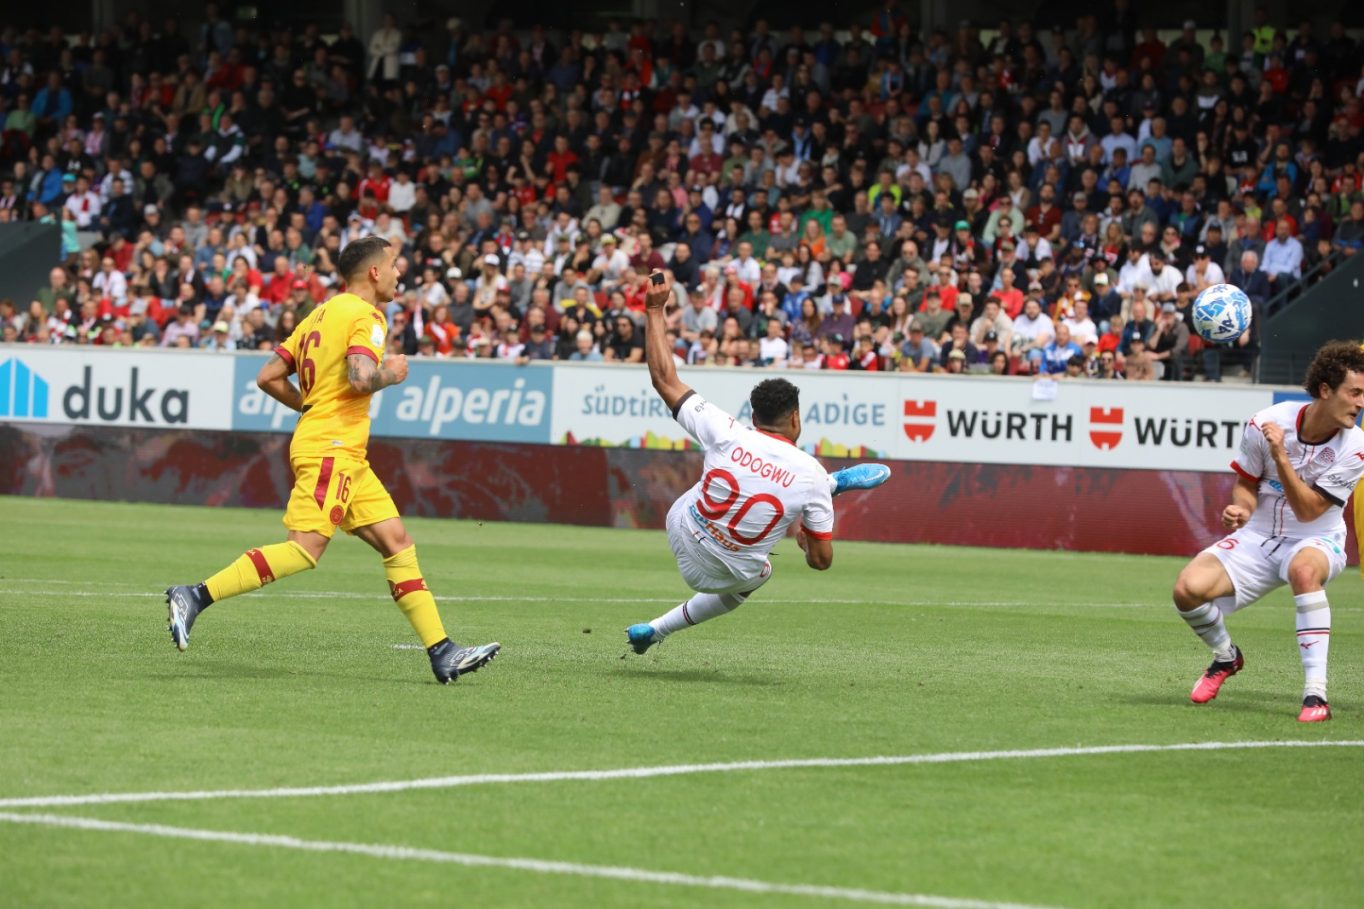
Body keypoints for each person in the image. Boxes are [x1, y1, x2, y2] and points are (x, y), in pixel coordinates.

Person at [164, 237, 500, 684]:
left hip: (344, 452)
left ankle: (442, 651)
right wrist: (391, 374)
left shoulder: (319, 315)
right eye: (395, 264)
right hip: (332, 448)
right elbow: (361, 379)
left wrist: (311, 407)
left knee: (397, 542)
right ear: (375, 272)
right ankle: (195, 595)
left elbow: (267, 376)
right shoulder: (367, 316)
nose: (400, 273)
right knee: (304, 549)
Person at [624, 270, 890, 653]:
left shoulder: (727, 429)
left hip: (680, 529)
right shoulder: (809, 472)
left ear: (753, 416)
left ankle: (651, 630)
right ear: (795, 418)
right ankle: (657, 629)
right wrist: (805, 540)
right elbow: (821, 562)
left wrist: (654, 310)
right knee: (762, 569)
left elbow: (664, 379)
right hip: (724, 575)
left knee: (714, 470)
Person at [1171, 342, 1364, 723]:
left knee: (1303, 571)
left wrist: (1281, 457)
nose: (1361, 403)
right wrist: (1240, 509)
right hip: (1258, 535)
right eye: (1354, 393)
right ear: (1326, 389)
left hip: (1317, 538)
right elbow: (1246, 483)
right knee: (1186, 590)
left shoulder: (1356, 446)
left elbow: (1308, 511)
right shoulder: (1266, 421)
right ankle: (1226, 657)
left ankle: (1316, 695)